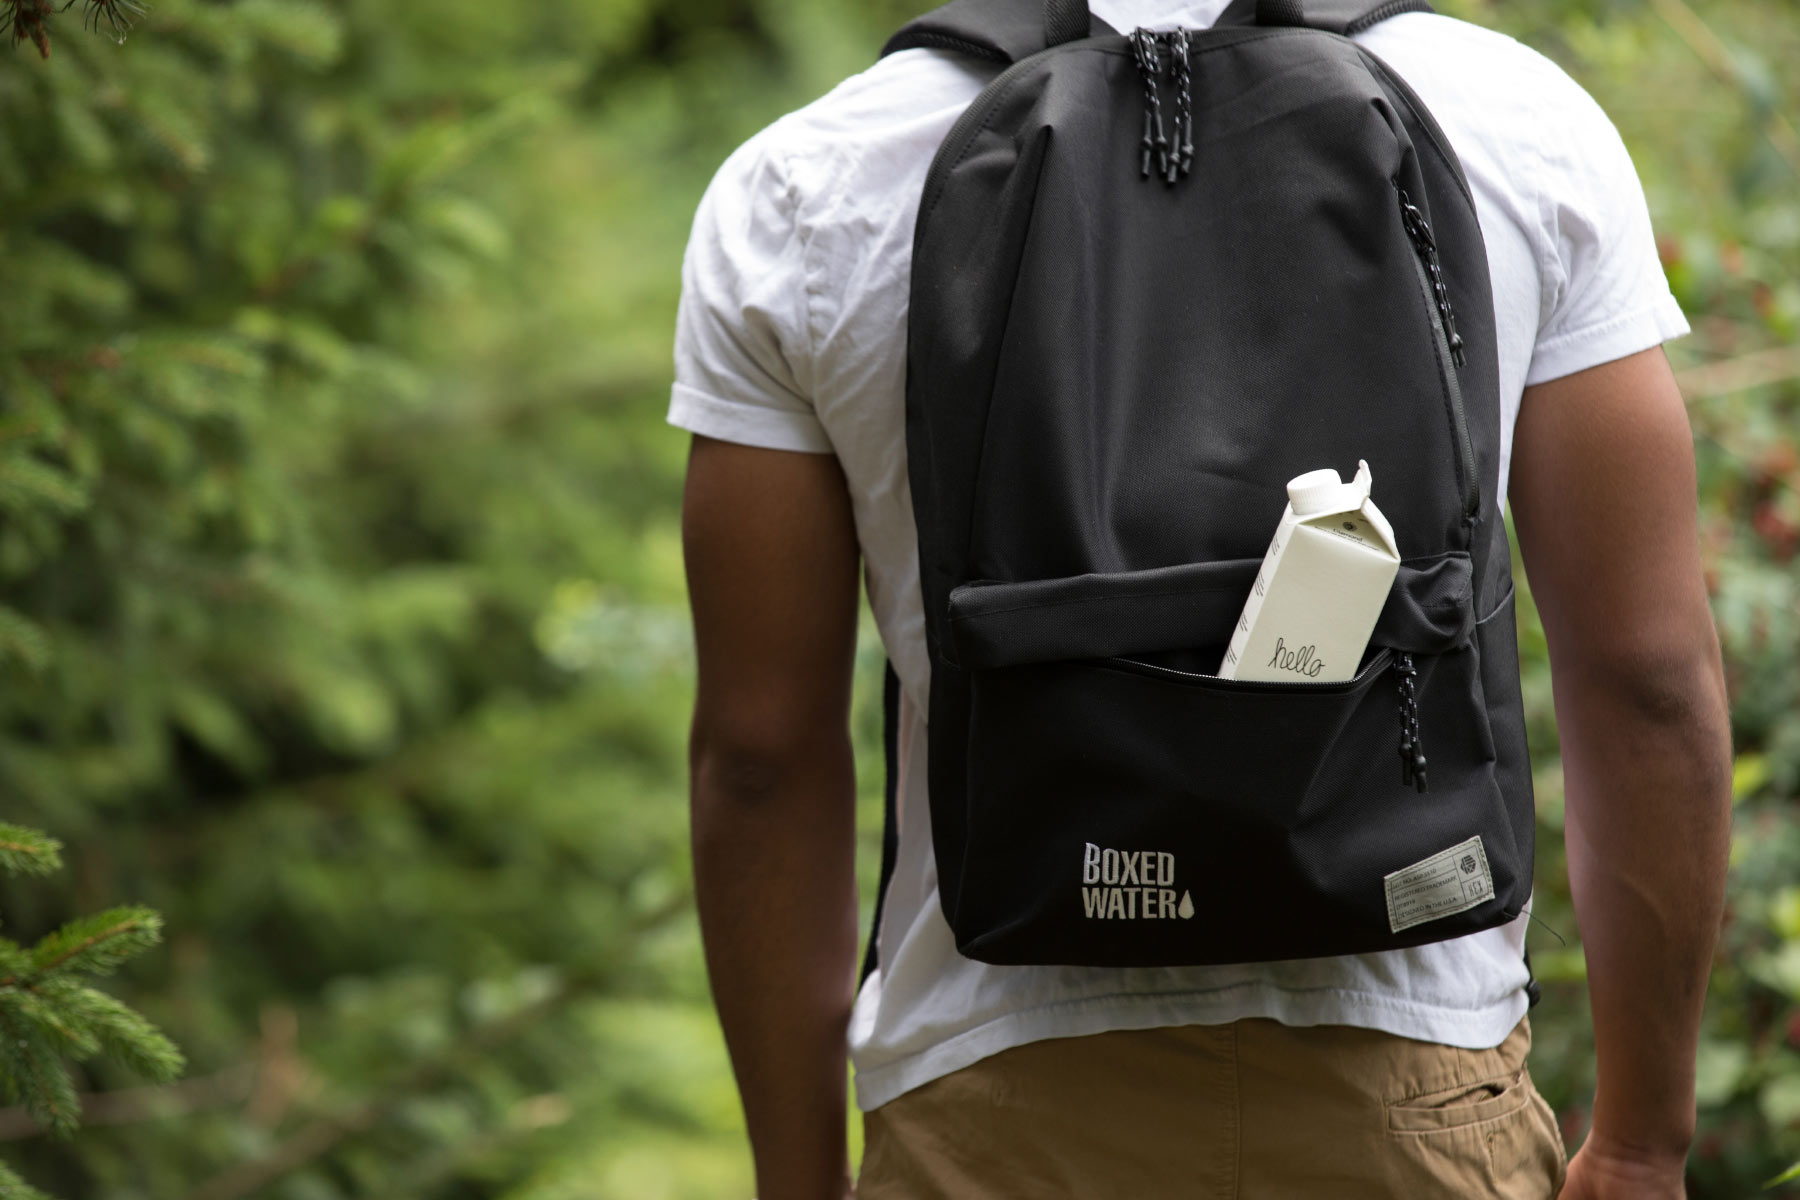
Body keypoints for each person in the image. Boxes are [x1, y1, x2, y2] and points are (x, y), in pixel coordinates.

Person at [671, 1, 1734, 1195]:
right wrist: (1640, 1145)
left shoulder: (809, 187)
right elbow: (1646, 677)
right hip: (1412, 1103)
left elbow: (761, 757)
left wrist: (798, 1181)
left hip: (987, 1110)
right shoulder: (1516, 124)